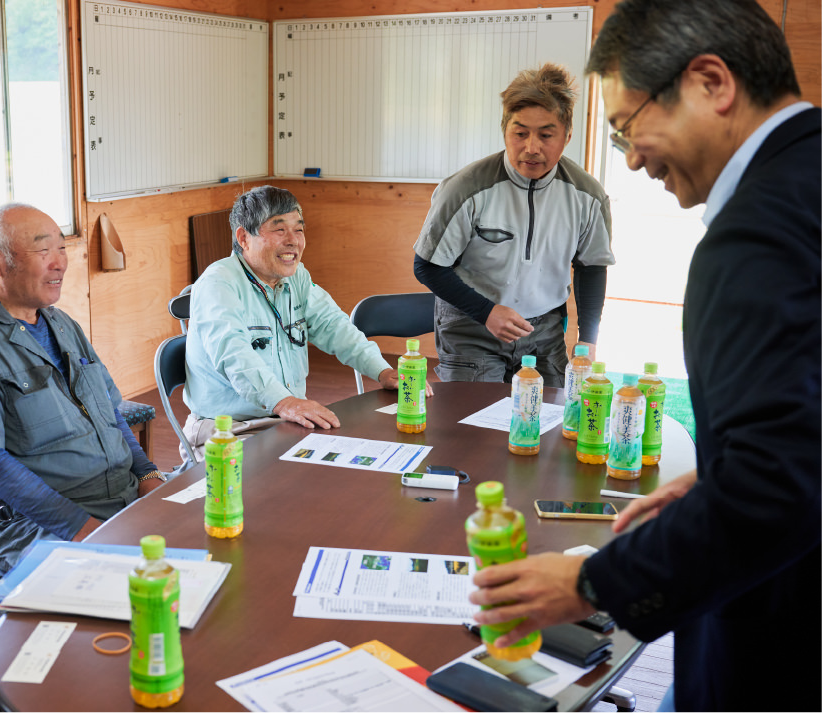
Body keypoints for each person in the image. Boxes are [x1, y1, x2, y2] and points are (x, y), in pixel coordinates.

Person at [468, 2, 819, 710]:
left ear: (709, 83)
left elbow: (778, 486)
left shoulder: (755, 235)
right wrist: (713, 478)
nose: (629, 156)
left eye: (628, 126)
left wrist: (589, 582)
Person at [0, 203, 165, 572]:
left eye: (62, 248)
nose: (60, 263)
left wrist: (148, 474)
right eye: (43, 251)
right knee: (139, 590)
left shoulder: (62, 323)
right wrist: (82, 530)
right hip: (36, 525)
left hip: (121, 495)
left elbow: (109, 411)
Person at [413, 63, 614, 387]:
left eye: (546, 135)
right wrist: (487, 312)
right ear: (505, 129)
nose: (532, 147)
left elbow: (592, 267)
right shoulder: (465, 188)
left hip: (544, 332)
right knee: (473, 429)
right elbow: (427, 266)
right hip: (472, 327)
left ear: (567, 136)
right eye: (520, 133)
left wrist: (587, 338)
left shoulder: (587, 196)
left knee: (549, 427)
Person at [184, 185, 421, 450]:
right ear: (243, 238)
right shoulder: (218, 284)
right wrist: (285, 402)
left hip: (283, 423)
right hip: (230, 431)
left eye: (298, 229)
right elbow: (234, 356)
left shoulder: (296, 278)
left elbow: (333, 325)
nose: (293, 240)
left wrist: (382, 370)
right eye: (279, 229)